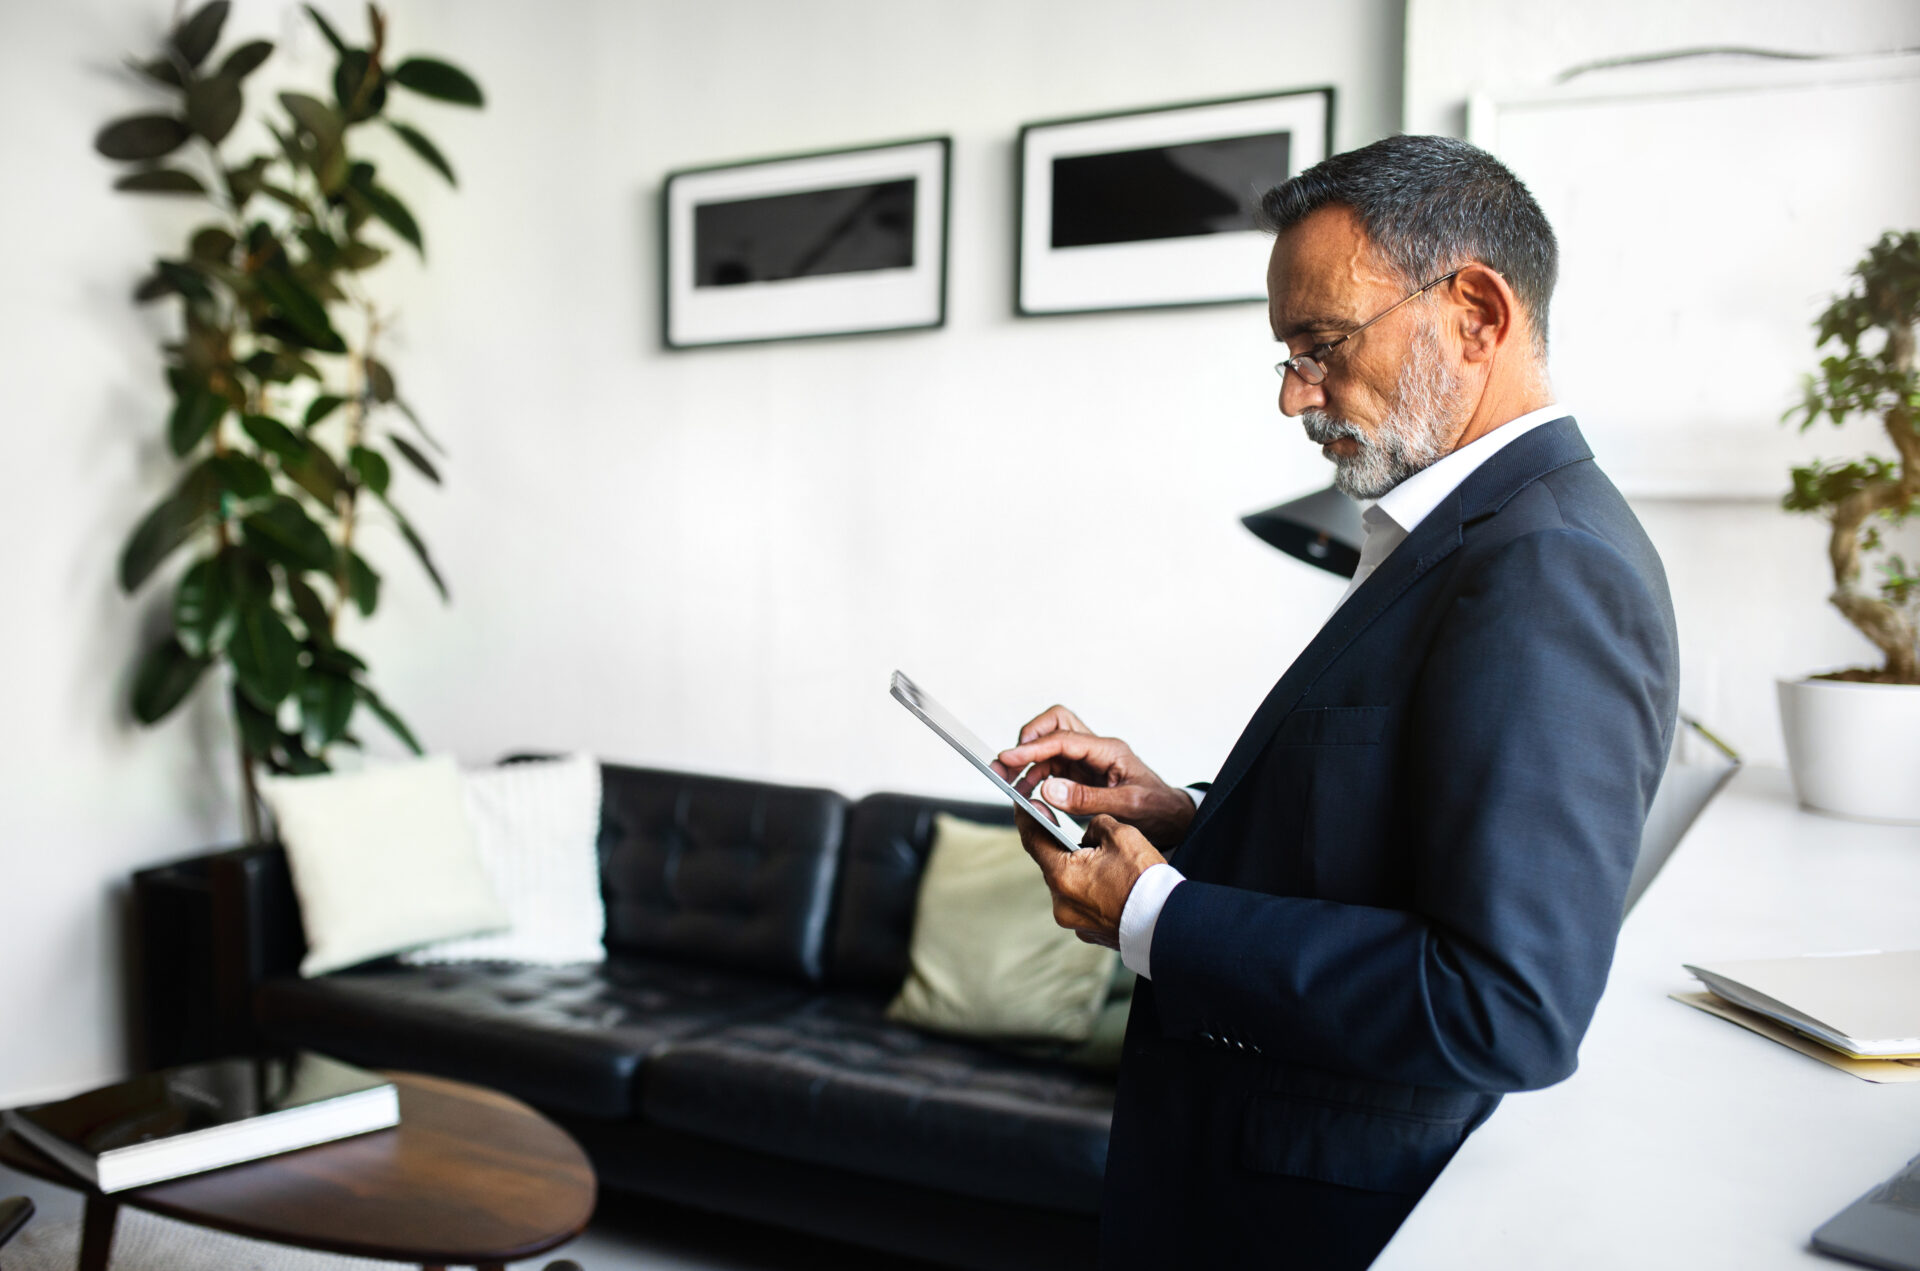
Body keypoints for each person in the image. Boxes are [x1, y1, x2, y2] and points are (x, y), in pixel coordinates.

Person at [992, 135, 1679, 1269]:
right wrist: (1181, 817)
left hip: (1322, 1217)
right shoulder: (1467, 538)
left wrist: (1155, 914)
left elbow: (1505, 1000)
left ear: (1475, 311)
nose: (1291, 394)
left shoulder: (1550, 564)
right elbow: (1385, 849)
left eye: (1320, 345)